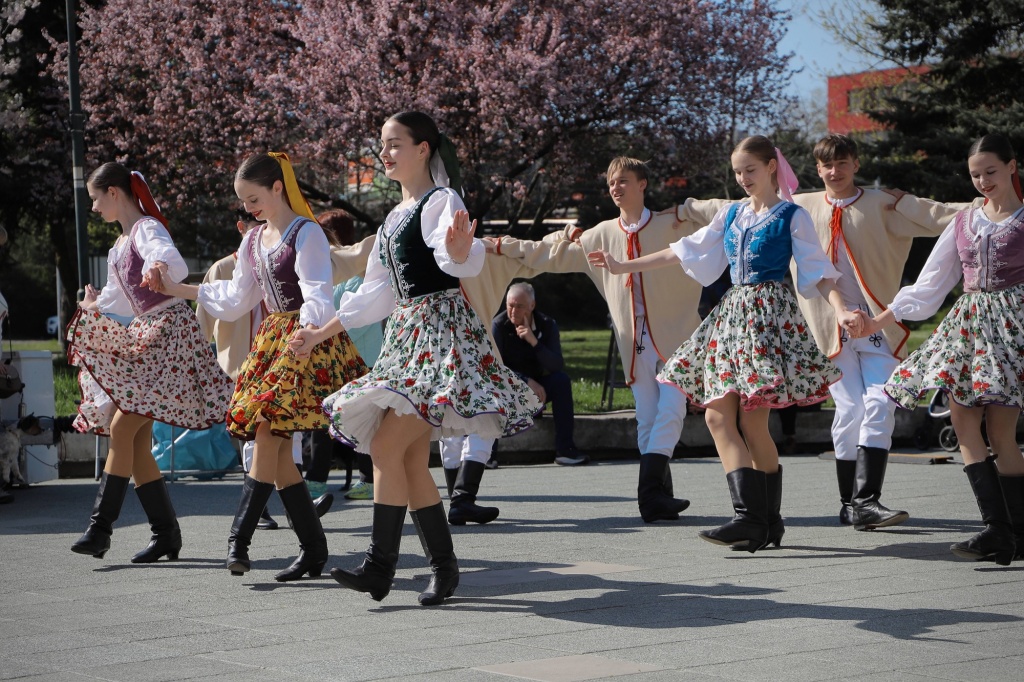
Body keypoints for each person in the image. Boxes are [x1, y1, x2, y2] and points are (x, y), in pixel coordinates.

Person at [288, 111, 539, 605]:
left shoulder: (441, 201)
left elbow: (455, 259)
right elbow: (374, 295)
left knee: (387, 446)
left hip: (440, 339)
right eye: (382, 144)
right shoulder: (391, 219)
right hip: (407, 339)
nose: (384, 153)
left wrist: (461, 251)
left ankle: (381, 566)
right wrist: (319, 333)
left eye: (394, 143)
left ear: (423, 149)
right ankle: (442, 567)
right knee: (404, 457)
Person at [678, 134, 970, 530]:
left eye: (843, 163)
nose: (835, 172)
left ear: (856, 164)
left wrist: (986, 207)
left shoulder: (883, 202)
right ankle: (852, 504)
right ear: (816, 169)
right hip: (827, 328)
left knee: (880, 401)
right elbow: (728, 206)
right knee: (849, 409)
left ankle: (866, 500)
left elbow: (938, 214)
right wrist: (681, 209)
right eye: (827, 165)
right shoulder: (799, 205)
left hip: (877, 322)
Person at [589, 136, 861, 553]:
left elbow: (818, 270)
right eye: (737, 172)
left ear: (771, 166)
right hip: (731, 319)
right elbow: (684, 251)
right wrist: (624, 265)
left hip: (768, 320)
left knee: (753, 423)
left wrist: (840, 310)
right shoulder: (732, 213)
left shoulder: (792, 215)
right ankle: (754, 518)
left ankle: (763, 521)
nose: (743, 178)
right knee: (717, 417)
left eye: (750, 169)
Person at [153, 152, 368, 581]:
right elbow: (236, 299)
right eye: (243, 202)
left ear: (277, 188)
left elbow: (317, 292)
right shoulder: (253, 240)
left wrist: (308, 334)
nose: (248, 209)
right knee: (277, 450)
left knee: (268, 433)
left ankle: (239, 541)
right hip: (272, 341)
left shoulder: (306, 232)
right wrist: (176, 288)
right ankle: (313, 549)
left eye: (253, 199)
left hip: (304, 339)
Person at [485, 157, 702, 523]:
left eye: (624, 181)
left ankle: (649, 493)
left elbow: (724, 220)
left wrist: (690, 207)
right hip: (633, 341)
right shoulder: (601, 234)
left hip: (677, 336)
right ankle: (658, 496)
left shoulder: (673, 224)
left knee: (672, 408)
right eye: (612, 182)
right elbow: (551, 255)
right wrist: (504, 245)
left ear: (643, 184)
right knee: (647, 418)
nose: (616, 188)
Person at [860, 133, 1024, 565]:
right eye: (975, 175)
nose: (983, 181)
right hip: (968, 330)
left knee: (1001, 433)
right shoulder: (965, 221)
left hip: (1011, 331)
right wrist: (879, 320)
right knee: (963, 419)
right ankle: (998, 529)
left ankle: (1015, 531)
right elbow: (932, 281)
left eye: (991, 171)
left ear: (1012, 166)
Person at [67, 162, 233, 562]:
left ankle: (100, 529)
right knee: (137, 440)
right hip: (148, 334)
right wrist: (92, 305)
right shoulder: (119, 245)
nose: (94, 208)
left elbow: (170, 259)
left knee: (123, 427)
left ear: (113, 192)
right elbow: (117, 298)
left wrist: (160, 267)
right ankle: (165, 535)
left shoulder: (146, 229)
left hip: (169, 335)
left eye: (95, 199)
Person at [306, 210, 381, 504]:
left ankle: (365, 479)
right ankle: (320, 478)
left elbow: (356, 320)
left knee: (352, 419)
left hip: (356, 358)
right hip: (343, 356)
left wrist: (323, 337)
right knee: (328, 419)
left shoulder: (353, 271)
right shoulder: (332, 268)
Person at [492, 282, 586, 466]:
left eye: (520, 306)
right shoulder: (498, 325)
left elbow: (556, 365)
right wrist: (525, 381)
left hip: (538, 390)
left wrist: (534, 342)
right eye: (510, 305)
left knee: (561, 381)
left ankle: (565, 450)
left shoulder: (547, 324)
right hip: (509, 389)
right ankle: (487, 455)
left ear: (532, 305)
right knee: (491, 388)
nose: (513, 311)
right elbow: (496, 369)